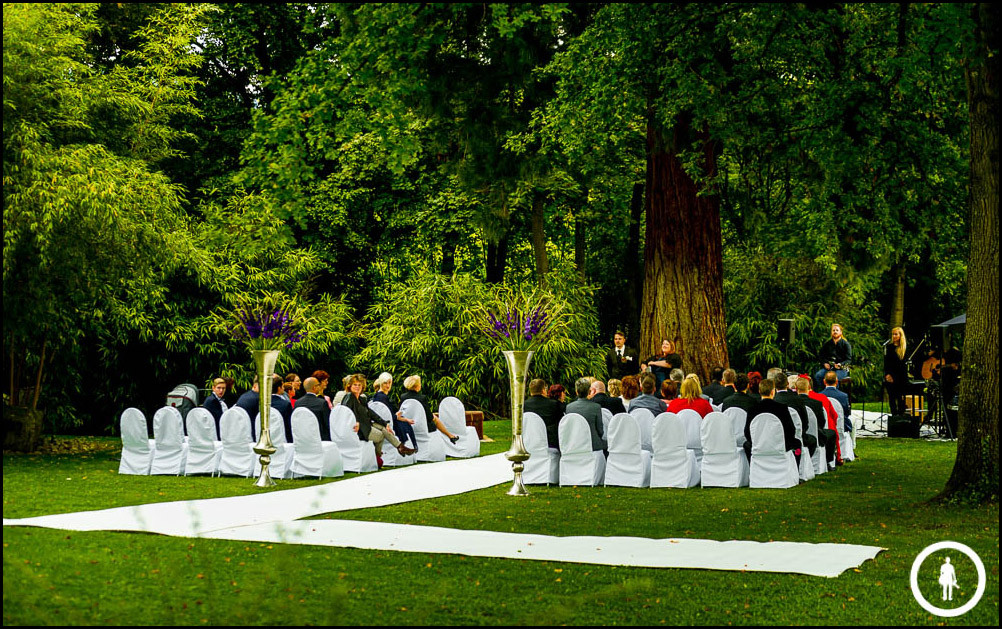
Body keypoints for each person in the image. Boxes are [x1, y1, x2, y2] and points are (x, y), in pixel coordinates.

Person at [341, 373, 415, 467]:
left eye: (359, 385)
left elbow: (372, 414)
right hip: (358, 429)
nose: (357, 387)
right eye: (355, 385)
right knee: (381, 435)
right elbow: (346, 413)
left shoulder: (361, 399)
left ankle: (399, 447)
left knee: (384, 428)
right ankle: (378, 457)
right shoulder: (349, 397)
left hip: (366, 425)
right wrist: (355, 422)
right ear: (349, 386)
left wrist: (385, 423)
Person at [743, 377, 799, 463]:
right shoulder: (782, 408)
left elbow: (747, 432)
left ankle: (753, 467)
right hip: (779, 446)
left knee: (746, 445)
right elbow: (791, 431)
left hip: (759, 446)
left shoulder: (752, 409)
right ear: (773, 392)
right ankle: (796, 470)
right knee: (797, 444)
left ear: (759, 391)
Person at [399, 375, 460, 444]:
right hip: (422, 426)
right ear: (417, 386)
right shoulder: (422, 398)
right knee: (435, 418)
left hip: (408, 424)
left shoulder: (403, 397)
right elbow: (429, 417)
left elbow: (401, 412)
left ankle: (451, 436)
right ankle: (450, 436)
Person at [795, 376, 837, 469]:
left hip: (797, 434)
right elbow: (822, 422)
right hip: (815, 434)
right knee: (831, 433)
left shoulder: (794, 403)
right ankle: (828, 461)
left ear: (796, 388)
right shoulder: (816, 403)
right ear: (809, 387)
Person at [773, 370, 816, 458]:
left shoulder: (773, 401)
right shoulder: (797, 400)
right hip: (796, 437)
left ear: (774, 385)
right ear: (787, 384)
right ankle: (802, 460)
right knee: (813, 440)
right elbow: (805, 422)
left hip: (776, 437)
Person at [372, 372, 417, 451]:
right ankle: (411, 447)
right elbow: (389, 416)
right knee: (406, 424)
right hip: (389, 424)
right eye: (385, 383)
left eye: (389, 383)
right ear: (381, 383)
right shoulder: (382, 397)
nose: (388, 385)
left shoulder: (378, 396)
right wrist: (403, 418)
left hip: (388, 422)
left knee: (406, 422)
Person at [565, 377, 606, 453]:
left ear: (576, 392)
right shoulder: (596, 407)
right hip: (594, 446)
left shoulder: (569, 407)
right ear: (589, 391)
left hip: (576, 445)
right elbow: (600, 430)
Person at [524, 378, 564, 449]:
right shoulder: (554, 404)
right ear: (543, 390)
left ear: (530, 391)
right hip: (550, 443)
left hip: (530, 442)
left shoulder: (524, 405)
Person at [814, 323, 852, 390]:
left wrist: (840, 364)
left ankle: (834, 397)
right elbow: (821, 356)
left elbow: (848, 359)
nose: (835, 332)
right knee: (818, 376)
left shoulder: (846, 344)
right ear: (831, 332)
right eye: (833, 330)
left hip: (842, 369)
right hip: (829, 368)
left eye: (837, 330)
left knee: (833, 379)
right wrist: (824, 363)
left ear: (841, 332)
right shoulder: (827, 344)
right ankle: (825, 393)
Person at [883, 327, 909, 416]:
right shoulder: (889, 347)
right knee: (892, 398)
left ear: (900, 335)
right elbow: (887, 363)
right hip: (890, 375)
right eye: (893, 334)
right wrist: (887, 375)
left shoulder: (905, 348)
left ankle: (901, 415)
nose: (894, 336)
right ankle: (894, 416)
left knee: (900, 398)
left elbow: (902, 365)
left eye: (896, 334)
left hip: (901, 376)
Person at [297, 377, 332, 441]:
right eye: (318, 385)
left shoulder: (298, 402)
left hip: (303, 438)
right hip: (320, 439)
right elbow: (328, 423)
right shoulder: (322, 403)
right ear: (314, 387)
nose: (320, 387)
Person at [234, 375, 261, 441]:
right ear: (255, 386)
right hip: (251, 433)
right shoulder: (257, 398)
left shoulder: (245, 395)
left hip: (240, 432)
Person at [268, 374, 294, 443]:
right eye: (282, 386)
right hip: (282, 438)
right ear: (279, 388)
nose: (283, 388)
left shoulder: (263, 404)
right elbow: (289, 425)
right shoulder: (285, 404)